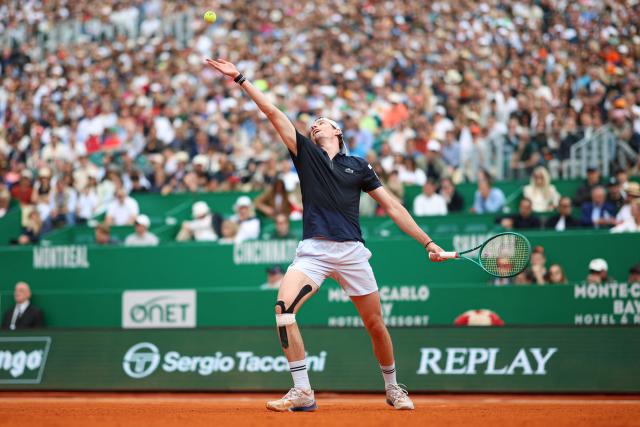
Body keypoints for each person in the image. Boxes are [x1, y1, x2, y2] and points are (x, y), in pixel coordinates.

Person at [204, 57, 446, 412]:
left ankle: (393, 387)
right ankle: (302, 390)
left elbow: (394, 207)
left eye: (324, 123)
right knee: (283, 311)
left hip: (351, 252)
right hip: (313, 251)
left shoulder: (358, 165)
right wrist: (240, 78)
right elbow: (273, 113)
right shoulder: (306, 156)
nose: (316, 126)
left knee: (375, 325)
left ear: (338, 132)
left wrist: (427, 242)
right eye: (313, 124)